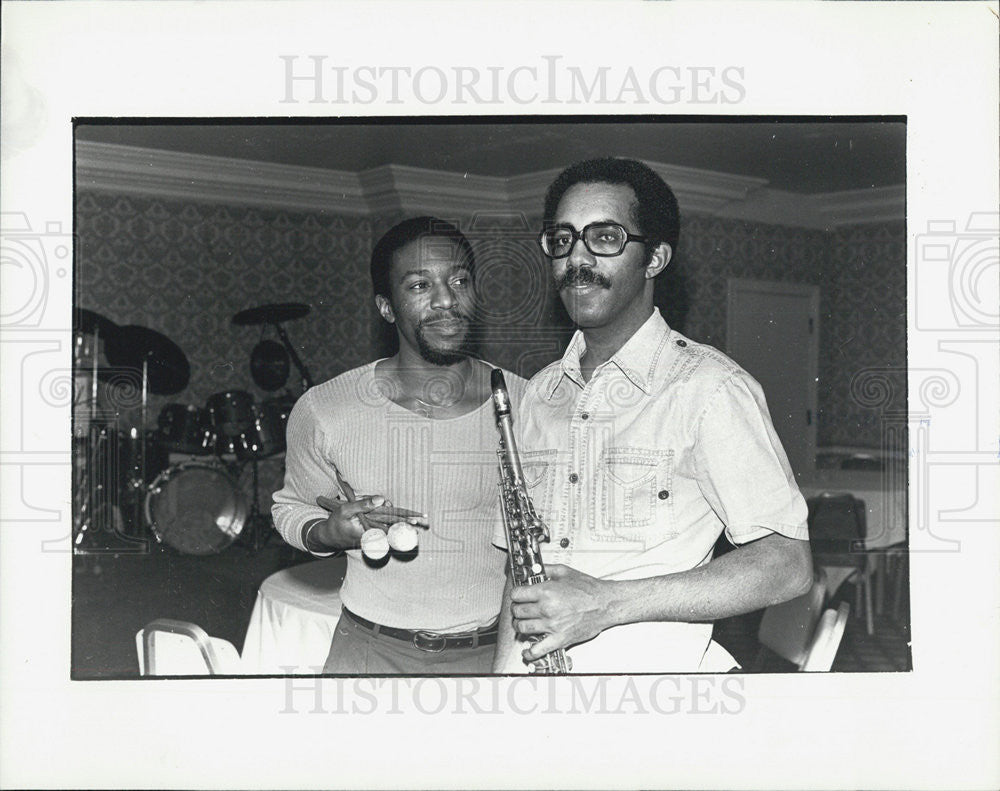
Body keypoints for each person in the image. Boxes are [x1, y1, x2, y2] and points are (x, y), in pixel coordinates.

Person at [492, 158, 813, 673]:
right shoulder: (540, 395)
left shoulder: (710, 389)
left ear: (655, 258)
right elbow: (518, 570)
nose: (578, 258)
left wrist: (609, 603)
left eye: (605, 237)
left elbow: (787, 565)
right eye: (562, 239)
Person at [273, 216, 526, 674]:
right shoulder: (326, 408)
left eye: (459, 281)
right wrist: (328, 532)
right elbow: (291, 507)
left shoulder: (526, 403)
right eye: (419, 285)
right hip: (370, 653)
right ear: (386, 308)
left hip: (496, 655)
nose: (446, 300)